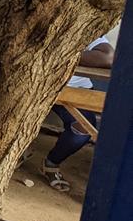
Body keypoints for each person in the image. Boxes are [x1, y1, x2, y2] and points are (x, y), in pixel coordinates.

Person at [34, 37, 114, 192]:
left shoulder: (85, 28)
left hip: (74, 90)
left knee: (82, 132)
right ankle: (22, 151)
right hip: (35, 85)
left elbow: (108, 57)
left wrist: (60, 54)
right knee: (11, 113)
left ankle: (51, 164)